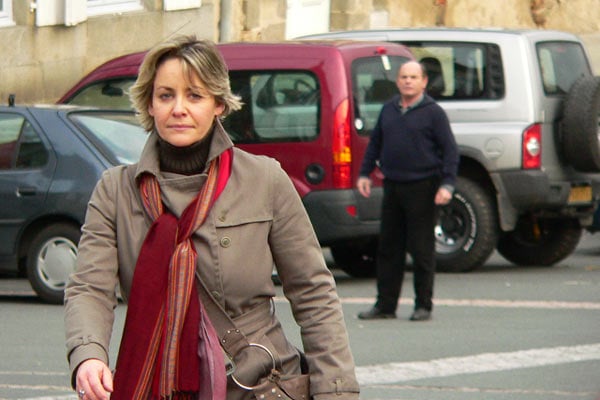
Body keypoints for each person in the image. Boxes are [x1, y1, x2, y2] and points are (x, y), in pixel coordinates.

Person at [64, 35, 360, 400]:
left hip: (255, 382)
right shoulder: (115, 190)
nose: (179, 108)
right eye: (166, 95)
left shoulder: (264, 179)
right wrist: (88, 356)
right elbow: (89, 288)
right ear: (150, 104)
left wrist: (337, 391)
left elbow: (313, 292)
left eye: (195, 95)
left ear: (219, 103)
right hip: (150, 382)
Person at [356, 60, 459, 322]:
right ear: (397, 81)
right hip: (393, 185)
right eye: (403, 77)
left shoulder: (433, 112)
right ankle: (385, 305)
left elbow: (450, 152)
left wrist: (447, 184)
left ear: (424, 81)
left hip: (424, 187)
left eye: (414, 77)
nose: (408, 81)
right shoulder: (388, 109)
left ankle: (423, 304)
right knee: (389, 248)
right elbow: (375, 143)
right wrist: (365, 173)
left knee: (422, 248)